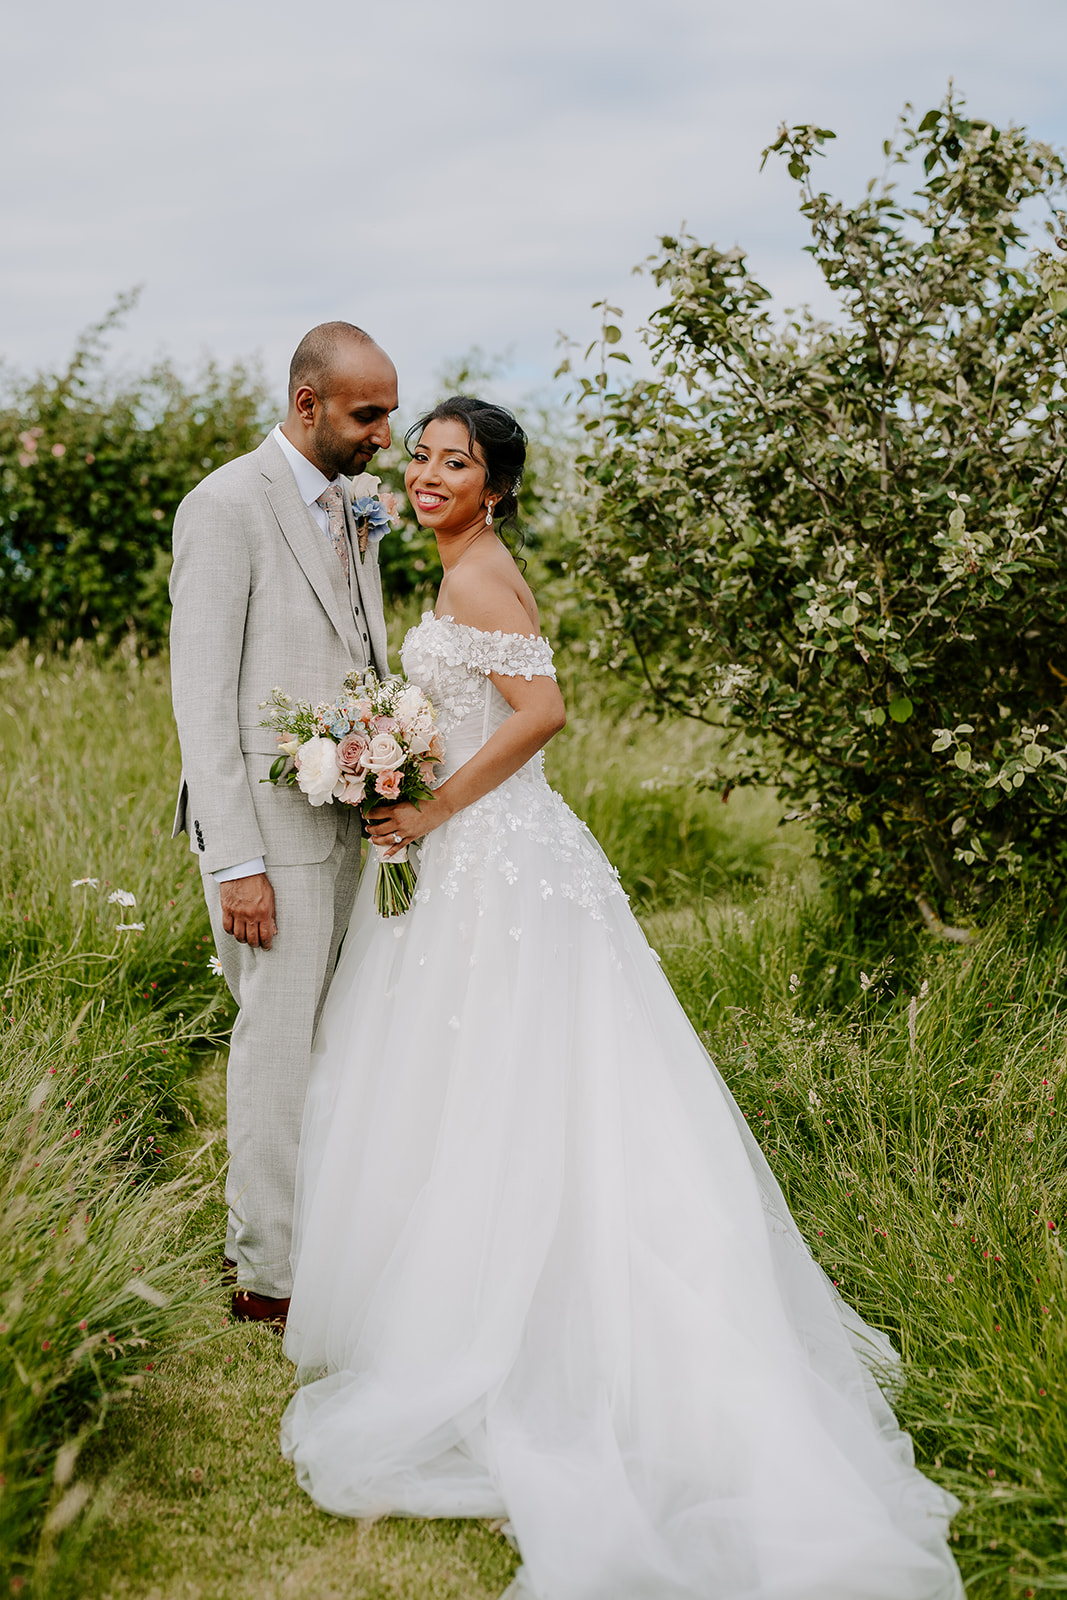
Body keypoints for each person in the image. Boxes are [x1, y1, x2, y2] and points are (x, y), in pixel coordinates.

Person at [280, 397, 964, 1599]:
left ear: (494, 489)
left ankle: (537, 1332)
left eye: (459, 463)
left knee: (523, 1081)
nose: (433, 474)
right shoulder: (456, 568)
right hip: (473, 862)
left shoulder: (484, 574)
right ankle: (465, 1301)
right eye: (426, 457)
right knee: (465, 1082)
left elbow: (542, 716)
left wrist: (430, 805)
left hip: (502, 860)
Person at [169, 322, 397, 1325]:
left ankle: (326, 1241)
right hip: (268, 835)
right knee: (273, 1048)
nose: (384, 433)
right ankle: (266, 1275)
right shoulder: (224, 506)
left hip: (345, 825)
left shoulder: (353, 508)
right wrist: (237, 860)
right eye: (367, 414)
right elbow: (200, 698)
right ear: (307, 406)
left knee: (335, 1042)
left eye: (387, 410)